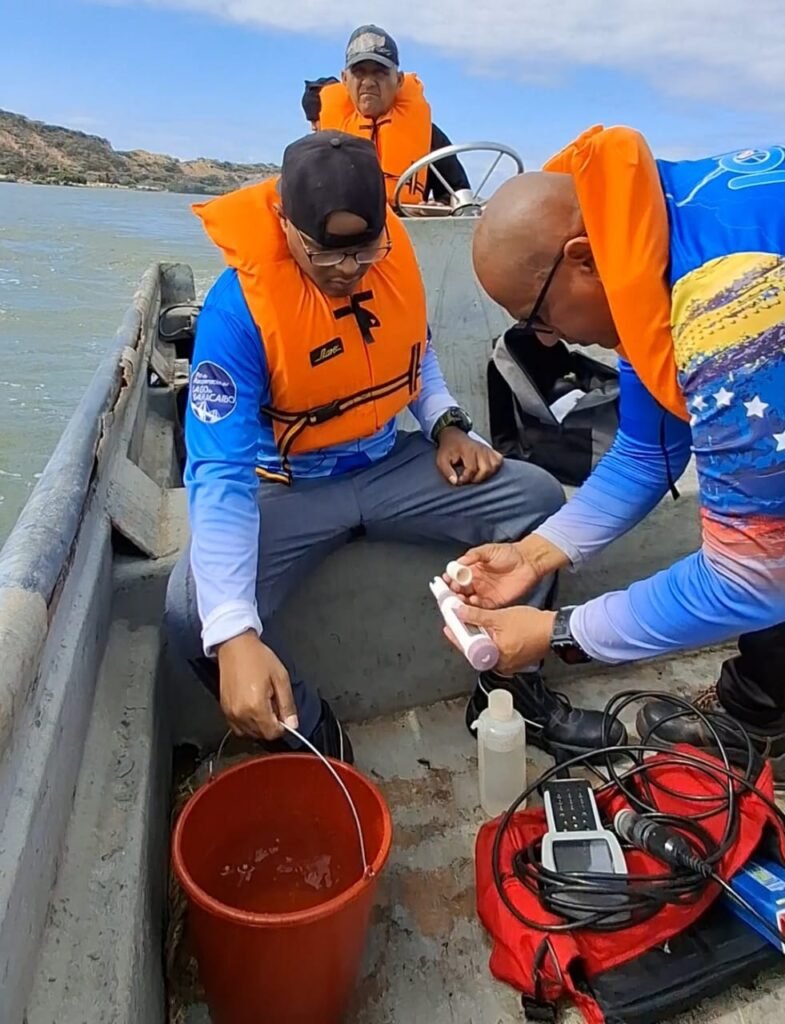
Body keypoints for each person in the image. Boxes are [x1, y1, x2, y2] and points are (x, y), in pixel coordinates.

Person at [164, 130, 618, 765]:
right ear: (286, 225)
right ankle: (313, 741)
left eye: (365, 249)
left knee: (537, 498)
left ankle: (509, 691)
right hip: (287, 486)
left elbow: (416, 354)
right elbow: (219, 473)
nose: (350, 270)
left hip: (388, 463)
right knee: (195, 615)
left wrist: (448, 425)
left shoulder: (392, 258)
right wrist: (234, 632)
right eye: (327, 253)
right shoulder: (235, 313)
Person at [448, 125, 785, 776]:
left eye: (537, 319)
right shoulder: (635, 240)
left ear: (580, 259)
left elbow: (748, 575)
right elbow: (644, 453)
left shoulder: (726, 306)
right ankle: (767, 706)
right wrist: (530, 555)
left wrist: (555, 633)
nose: (548, 340)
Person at [314, 24, 471, 207]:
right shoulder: (320, 142)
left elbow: (458, 195)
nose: (368, 82)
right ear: (344, 79)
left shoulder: (429, 136)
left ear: (399, 80)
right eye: (359, 73)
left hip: (408, 223)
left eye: (379, 73)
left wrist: (438, 207)